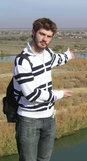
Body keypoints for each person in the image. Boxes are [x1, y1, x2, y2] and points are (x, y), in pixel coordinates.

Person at [13, 18, 75, 161]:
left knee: (44, 159)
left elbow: (56, 59)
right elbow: (32, 95)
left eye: (49, 36)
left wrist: (68, 56)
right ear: (33, 33)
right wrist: (59, 95)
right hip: (29, 120)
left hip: (49, 118)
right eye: (42, 34)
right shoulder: (23, 60)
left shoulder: (47, 54)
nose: (45, 39)